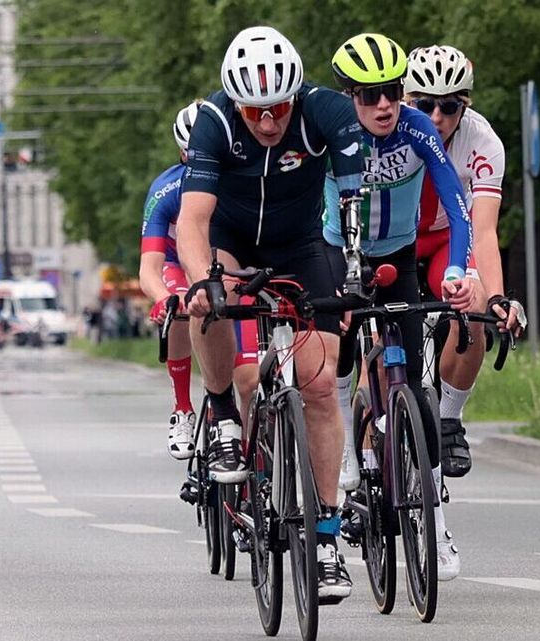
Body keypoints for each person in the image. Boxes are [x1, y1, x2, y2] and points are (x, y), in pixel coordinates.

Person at [178, 25, 365, 602]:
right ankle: (223, 415)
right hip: (232, 242)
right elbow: (192, 221)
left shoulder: (325, 112)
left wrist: (354, 273)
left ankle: (326, 540)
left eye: (278, 108)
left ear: (296, 96)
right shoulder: (215, 121)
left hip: (302, 247)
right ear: (236, 103)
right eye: (254, 111)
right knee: (206, 304)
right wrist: (203, 280)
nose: (266, 122)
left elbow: (354, 203)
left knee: (320, 385)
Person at [326, 32, 476, 582]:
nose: (385, 104)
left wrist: (457, 271)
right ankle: (346, 448)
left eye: (392, 91)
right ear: (351, 98)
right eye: (370, 95)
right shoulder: (333, 134)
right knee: (339, 351)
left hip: (399, 255)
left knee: (414, 385)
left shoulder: (417, 129)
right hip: (339, 251)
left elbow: (458, 210)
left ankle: (437, 522)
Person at [403, 44, 526, 483]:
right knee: (379, 337)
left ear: (465, 105)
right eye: (424, 105)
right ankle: (366, 455)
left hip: (446, 239)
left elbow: (485, 230)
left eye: (450, 106)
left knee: (471, 308)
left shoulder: (483, 142)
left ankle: (450, 420)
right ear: (405, 100)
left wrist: (496, 297)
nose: (437, 117)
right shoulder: (386, 130)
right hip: (395, 240)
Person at [140, 101, 260, 459]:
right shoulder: (166, 191)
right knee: (181, 304)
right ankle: (182, 408)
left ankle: (254, 457)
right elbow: (149, 268)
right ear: (182, 154)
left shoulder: (244, 178)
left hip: (230, 266)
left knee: (249, 380)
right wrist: (161, 297)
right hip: (179, 265)